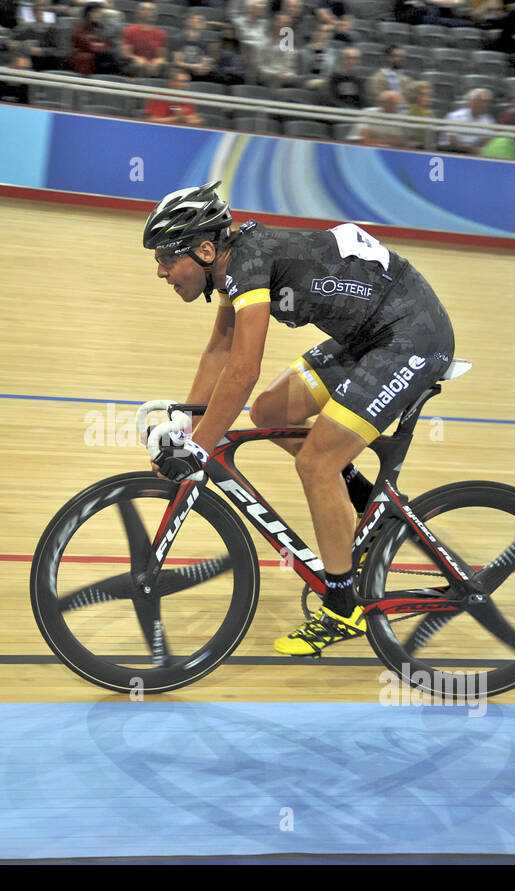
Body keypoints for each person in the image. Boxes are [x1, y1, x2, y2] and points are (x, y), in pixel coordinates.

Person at [142, 183, 456, 655]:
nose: (161, 272)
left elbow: (244, 370)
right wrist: (190, 425)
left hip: (410, 334)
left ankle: (342, 605)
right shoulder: (233, 264)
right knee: (269, 411)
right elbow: (220, 351)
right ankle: (367, 506)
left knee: (316, 462)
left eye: (167, 258)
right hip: (369, 333)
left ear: (205, 250)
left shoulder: (248, 262)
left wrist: (199, 449)